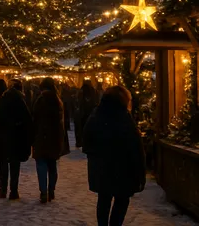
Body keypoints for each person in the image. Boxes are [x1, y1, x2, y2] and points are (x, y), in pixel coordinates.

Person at [83, 86, 146, 226]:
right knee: (121, 199)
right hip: (122, 168)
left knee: (104, 199)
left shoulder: (97, 114)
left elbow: (86, 140)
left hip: (102, 167)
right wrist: (140, 173)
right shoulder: (125, 118)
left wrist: (94, 156)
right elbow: (136, 147)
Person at [0, 79, 32, 200]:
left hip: (3, 137)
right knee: (15, 165)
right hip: (16, 137)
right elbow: (27, 120)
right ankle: (14, 191)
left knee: (3, 165)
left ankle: (2, 190)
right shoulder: (20, 101)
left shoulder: (0, 101)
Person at [32, 77, 69, 204]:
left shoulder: (40, 100)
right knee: (52, 166)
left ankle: (43, 191)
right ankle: (51, 190)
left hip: (41, 138)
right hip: (54, 138)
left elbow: (35, 120)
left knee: (41, 165)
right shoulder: (58, 101)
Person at [75, 80, 99, 148]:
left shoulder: (81, 91)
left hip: (83, 114)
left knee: (82, 129)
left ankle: (81, 142)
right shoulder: (94, 91)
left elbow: (77, 102)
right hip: (90, 113)